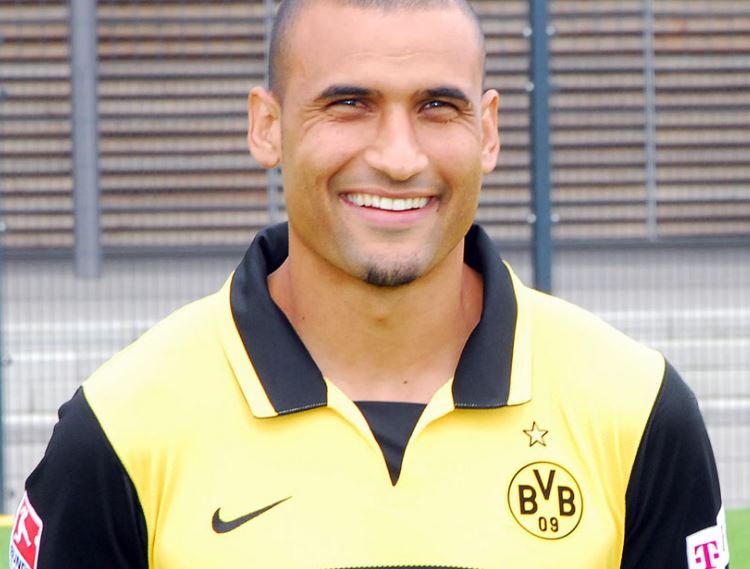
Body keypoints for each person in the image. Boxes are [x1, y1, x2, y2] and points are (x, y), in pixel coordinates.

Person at [11, 0, 729, 568]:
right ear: (267, 127)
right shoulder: (122, 430)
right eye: (349, 104)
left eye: (437, 106)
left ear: (487, 131)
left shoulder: (638, 412)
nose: (397, 157)